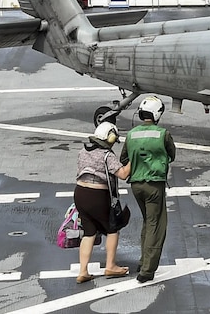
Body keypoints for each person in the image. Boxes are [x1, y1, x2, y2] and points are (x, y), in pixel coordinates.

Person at [122, 95, 176, 284]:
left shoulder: (131, 134)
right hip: (154, 184)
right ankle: (147, 269)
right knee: (156, 224)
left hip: (136, 184)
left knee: (147, 222)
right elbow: (172, 154)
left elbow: (123, 158)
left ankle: (142, 260)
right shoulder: (163, 134)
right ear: (157, 114)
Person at [73, 121, 131, 284]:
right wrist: (134, 157)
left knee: (89, 231)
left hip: (80, 193)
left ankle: (83, 271)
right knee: (112, 228)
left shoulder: (83, 151)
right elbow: (123, 174)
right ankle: (111, 265)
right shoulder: (107, 155)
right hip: (97, 194)